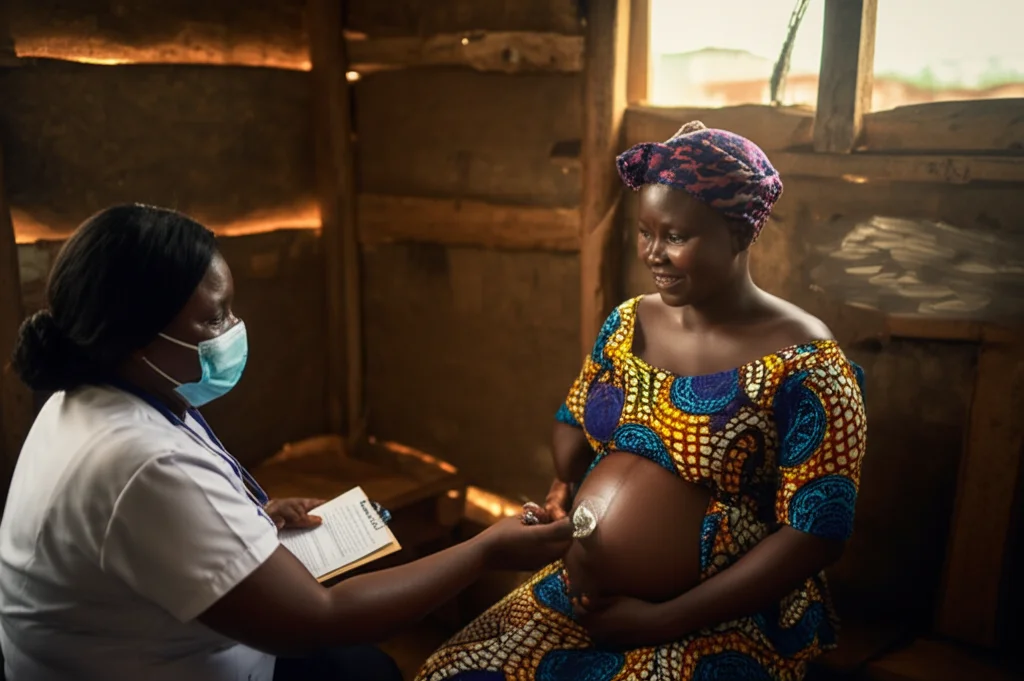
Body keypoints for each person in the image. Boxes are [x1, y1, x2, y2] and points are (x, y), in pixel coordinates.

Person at [0, 204, 573, 681]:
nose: (232, 330)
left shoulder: (103, 396)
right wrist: (486, 552)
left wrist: (249, 520)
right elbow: (316, 619)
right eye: (213, 317)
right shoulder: (136, 461)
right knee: (366, 669)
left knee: (364, 669)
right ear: (136, 334)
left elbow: (151, 534)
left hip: (174, 645)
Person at [417, 121, 868, 681]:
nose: (654, 254)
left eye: (676, 237)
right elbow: (576, 419)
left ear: (739, 233)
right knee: (447, 673)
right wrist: (564, 490)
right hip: (581, 593)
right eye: (645, 232)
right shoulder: (628, 322)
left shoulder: (809, 366)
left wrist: (662, 620)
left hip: (719, 618)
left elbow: (814, 538)